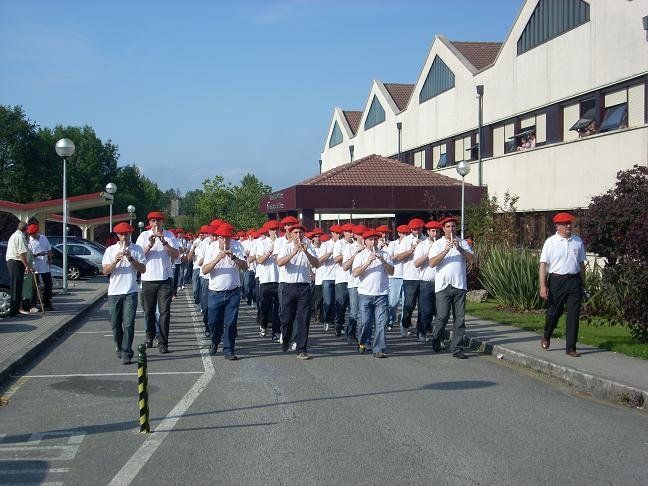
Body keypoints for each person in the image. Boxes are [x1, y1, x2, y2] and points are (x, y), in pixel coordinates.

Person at [539, 212, 586, 357]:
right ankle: (547, 335)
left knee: (573, 315)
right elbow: (543, 265)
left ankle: (571, 348)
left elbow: (581, 264)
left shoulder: (577, 241)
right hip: (557, 281)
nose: (568, 226)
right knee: (554, 312)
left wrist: (583, 282)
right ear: (558, 226)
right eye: (565, 224)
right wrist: (543, 286)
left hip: (574, 281)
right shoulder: (550, 242)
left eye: (569, 223)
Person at [428, 216, 474, 359]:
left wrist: (459, 248)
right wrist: (445, 251)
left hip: (459, 286)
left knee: (460, 319)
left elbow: (471, 260)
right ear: (443, 229)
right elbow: (432, 263)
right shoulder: (438, 244)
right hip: (443, 286)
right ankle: (436, 338)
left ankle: (457, 348)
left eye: (453, 226)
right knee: (442, 316)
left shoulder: (462, 243)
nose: (451, 229)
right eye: (448, 227)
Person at [102, 222, 147, 364]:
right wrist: (115, 261)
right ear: (117, 235)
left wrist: (131, 258)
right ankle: (120, 346)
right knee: (115, 324)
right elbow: (105, 271)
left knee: (128, 323)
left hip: (130, 291)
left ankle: (127, 352)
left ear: (130, 234)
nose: (124, 237)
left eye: (126, 234)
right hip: (114, 292)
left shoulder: (137, 249)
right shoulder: (110, 250)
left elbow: (143, 269)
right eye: (121, 234)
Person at [201, 223, 248, 360]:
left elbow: (245, 267)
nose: (225, 241)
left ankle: (229, 349)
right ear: (218, 238)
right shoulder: (211, 247)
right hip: (215, 292)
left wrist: (233, 257)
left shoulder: (238, 246)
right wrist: (216, 259)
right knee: (213, 322)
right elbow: (204, 270)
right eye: (222, 238)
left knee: (231, 323)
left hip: (233, 291)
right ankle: (215, 341)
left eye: (228, 238)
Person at [135, 211, 179, 354]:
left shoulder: (169, 235)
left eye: (158, 220)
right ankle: (150, 335)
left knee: (164, 312)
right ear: (149, 223)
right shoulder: (143, 236)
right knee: (149, 311)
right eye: (153, 221)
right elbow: (138, 257)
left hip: (164, 280)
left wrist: (164, 242)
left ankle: (163, 342)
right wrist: (150, 244)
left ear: (162, 222)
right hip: (148, 279)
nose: (156, 223)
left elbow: (176, 255)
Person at [276, 224, 320, 359]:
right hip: (288, 286)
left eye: (301, 233)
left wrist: (306, 252)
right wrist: (294, 252)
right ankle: (286, 338)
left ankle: (302, 349)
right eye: (295, 233)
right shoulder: (286, 247)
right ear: (291, 234)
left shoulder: (309, 247)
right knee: (286, 318)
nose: (298, 235)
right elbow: (280, 262)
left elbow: (317, 264)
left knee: (303, 319)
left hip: (304, 286)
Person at [352, 229, 394, 358]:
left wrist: (383, 261)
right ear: (365, 242)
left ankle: (379, 349)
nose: (373, 242)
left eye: (375, 239)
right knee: (365, 322)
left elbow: (392, 272)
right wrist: (367, 262)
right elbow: (355, 273)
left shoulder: (385, 254)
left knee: (381, 323)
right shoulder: (360, 255)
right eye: (370, 240)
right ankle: (363, 342)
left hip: (381, 294)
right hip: (365, 294)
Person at [413, 220, 442, 342]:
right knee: (426, 310)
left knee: (440, 312)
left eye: (437, 231)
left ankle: (438, 337)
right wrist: (429, 253)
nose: (435, 234)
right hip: (426, 283)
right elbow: (416, 264)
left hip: (441, 282)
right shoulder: (422, 245)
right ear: (428, 232)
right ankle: (422, 332)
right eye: (433, 231)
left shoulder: (442, 244)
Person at [255, 220, 281, 340]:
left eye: (276, 229)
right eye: (272, 230)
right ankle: (263, 325)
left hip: (279, 279)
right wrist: (270, 251)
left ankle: (276, 331)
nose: (275, 232)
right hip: (266, 279)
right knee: (265, 306)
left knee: (278, 307)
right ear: (269, 231)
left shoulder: (282, 242)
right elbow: (259, 260)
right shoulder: (263, 243)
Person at [5, 222, 33, 317]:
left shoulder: (15, 235)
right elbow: (22, 253)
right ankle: (14, 311)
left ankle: (16, 310)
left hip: (14, 262)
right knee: (16, 286)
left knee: (17, 286)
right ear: (26, 229)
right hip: (15, 262)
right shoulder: (19, 236)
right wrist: (27, 266)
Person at [27, 224, 54, 311]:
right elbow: (29, 255)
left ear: (37, 232)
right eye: (30, 234)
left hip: (45, 265)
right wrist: (39, 254)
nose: (32, 235)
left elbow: (49, 249)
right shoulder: (29, 241)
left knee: (48, 284)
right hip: (35, 266)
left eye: (33, 233)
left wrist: (50, 258)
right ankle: (33, 305)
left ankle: (47, 303)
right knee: (34, 286)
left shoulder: (43, 238)